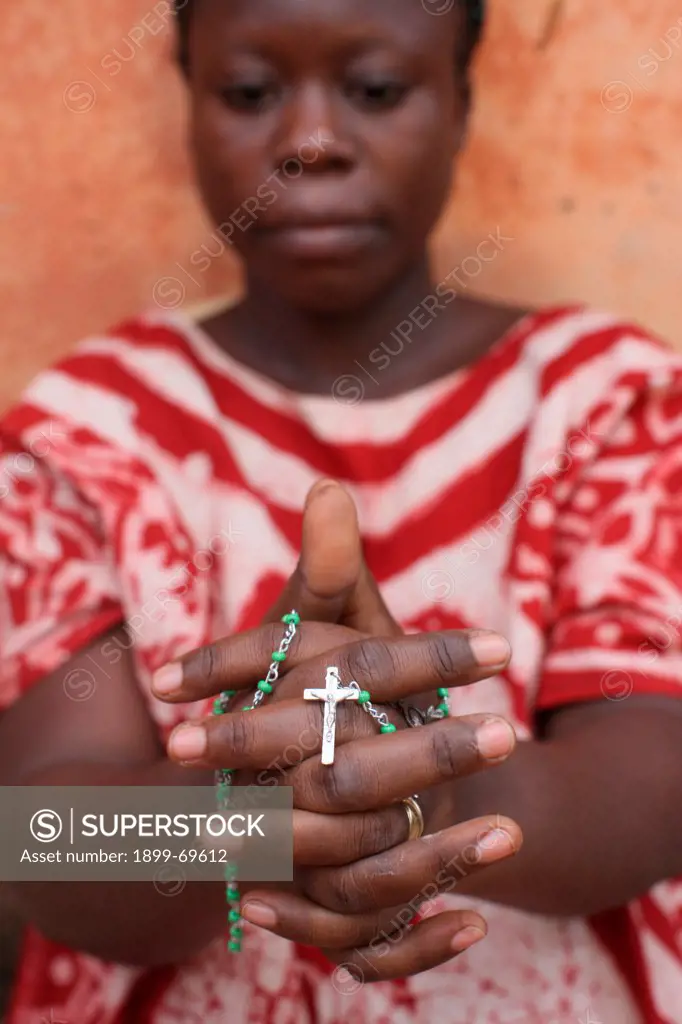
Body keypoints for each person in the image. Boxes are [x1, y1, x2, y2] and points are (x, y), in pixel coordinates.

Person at [1, 0, 682, 1020]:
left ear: (461, 105)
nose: (310, 142)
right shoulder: (84, 436)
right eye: (248, 93)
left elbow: (655, 784)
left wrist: (432, 792)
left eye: (374, 89)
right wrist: (248, 809)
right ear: (187, 104)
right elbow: (44, 845)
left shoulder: (605, 402)